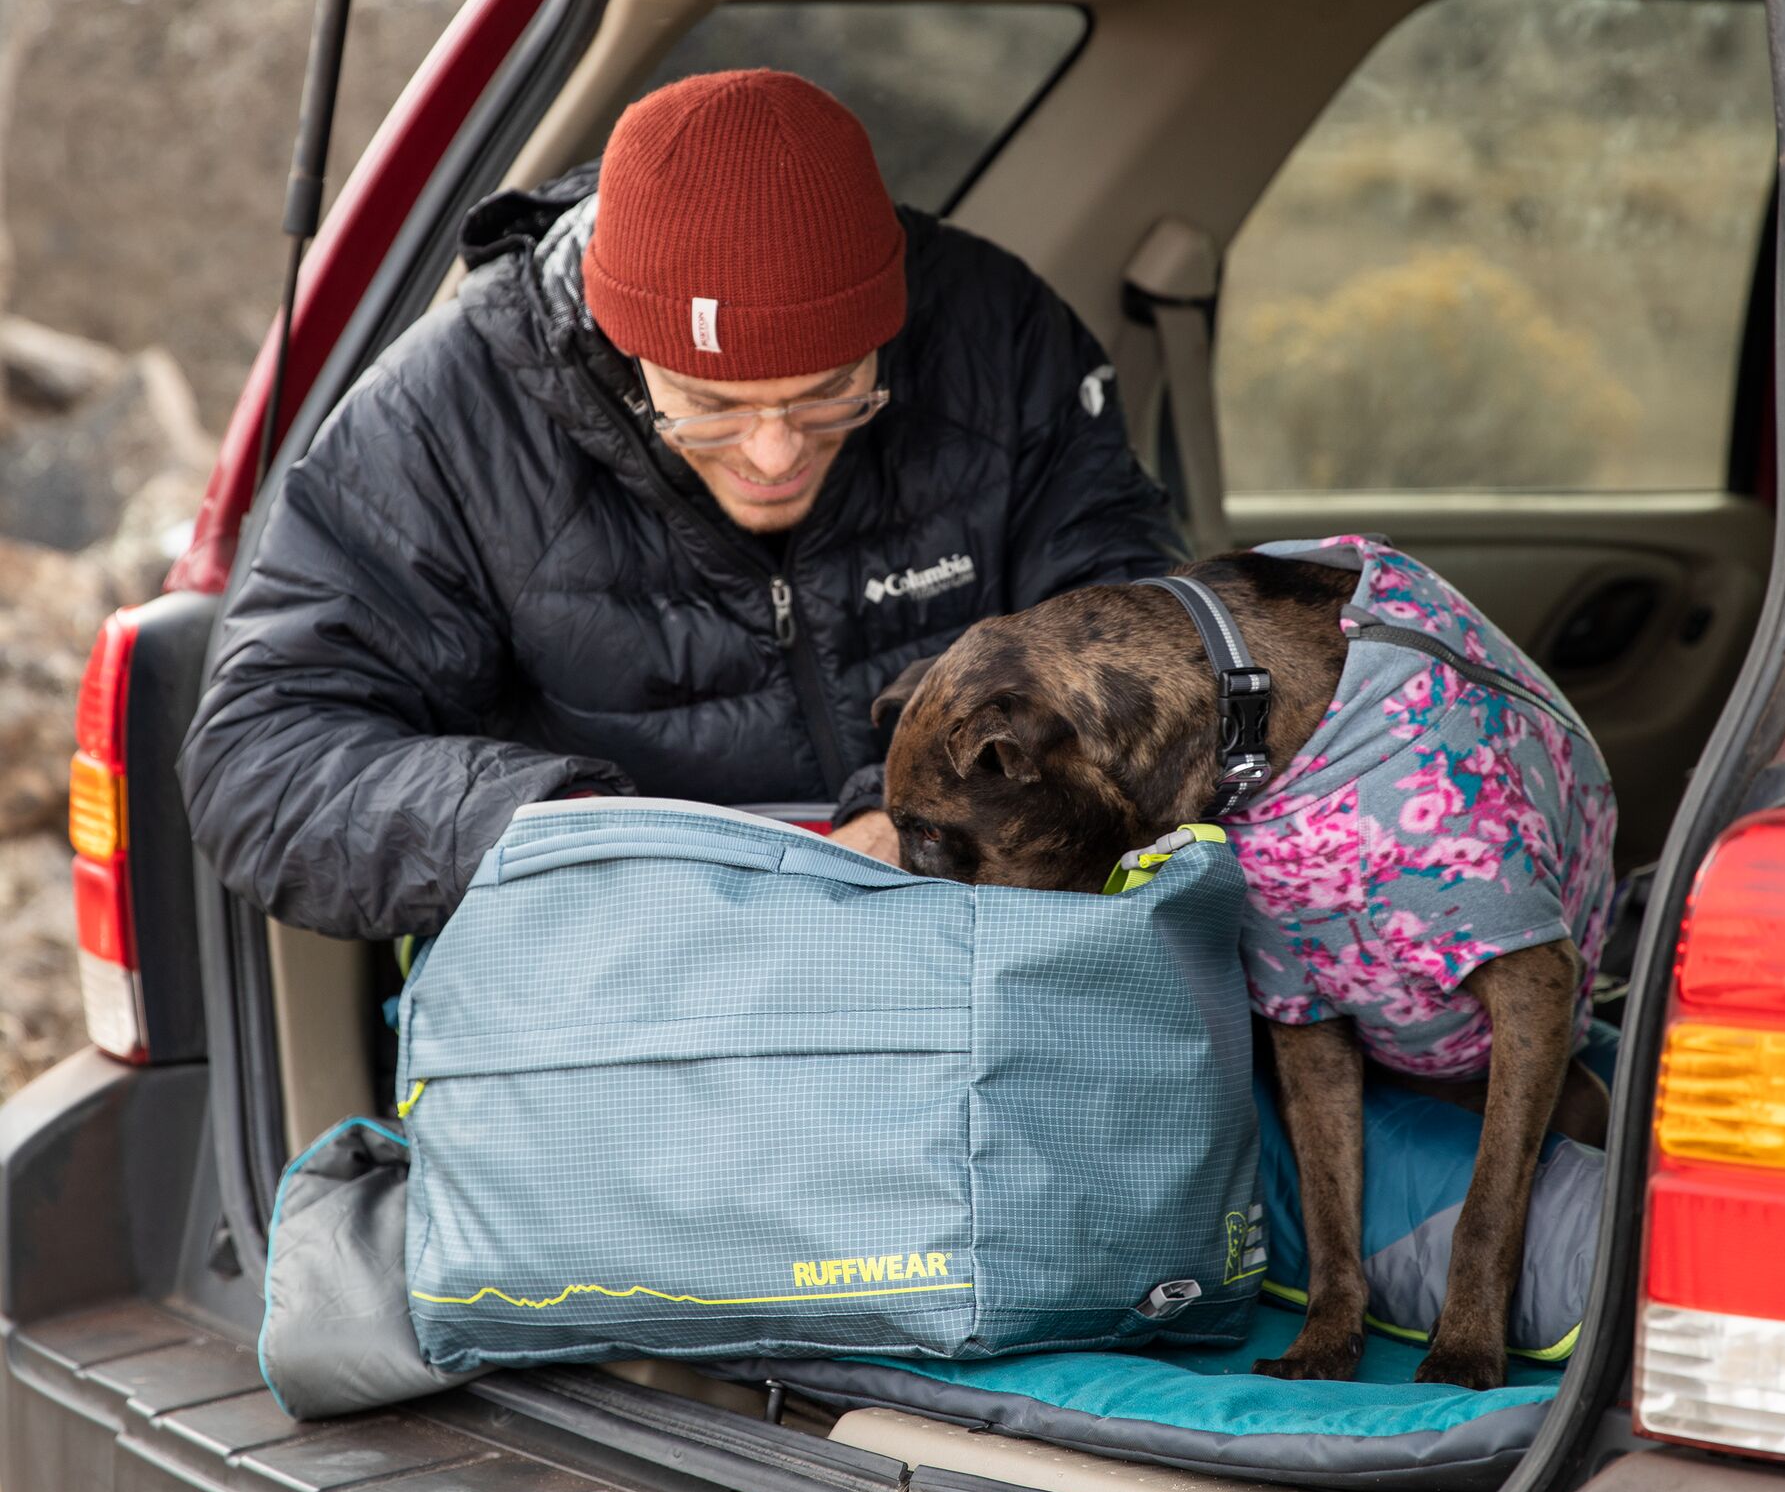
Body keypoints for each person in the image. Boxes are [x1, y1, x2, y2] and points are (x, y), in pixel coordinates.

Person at [180, 67, 1182, 940]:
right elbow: (262, 760)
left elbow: (1144, 644)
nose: (776, 452)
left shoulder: (995, 338)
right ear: (623, 346)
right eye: (710, 409)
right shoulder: (443, 420)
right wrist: (578, 839)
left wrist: (923, 818)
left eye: (833, 392)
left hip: (974, 949)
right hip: (620, 997)